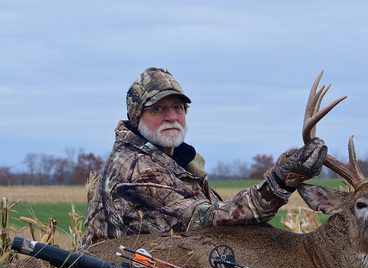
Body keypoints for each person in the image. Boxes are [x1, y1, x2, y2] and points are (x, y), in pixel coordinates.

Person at [81, 67, 327, 248]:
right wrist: (278, 184)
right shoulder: (135, 169)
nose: (172, 117)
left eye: (178, 108)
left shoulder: (176, 163)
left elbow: (220, 212)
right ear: (136, 118)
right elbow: (207, 221)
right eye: (158, 109)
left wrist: (281, 172)